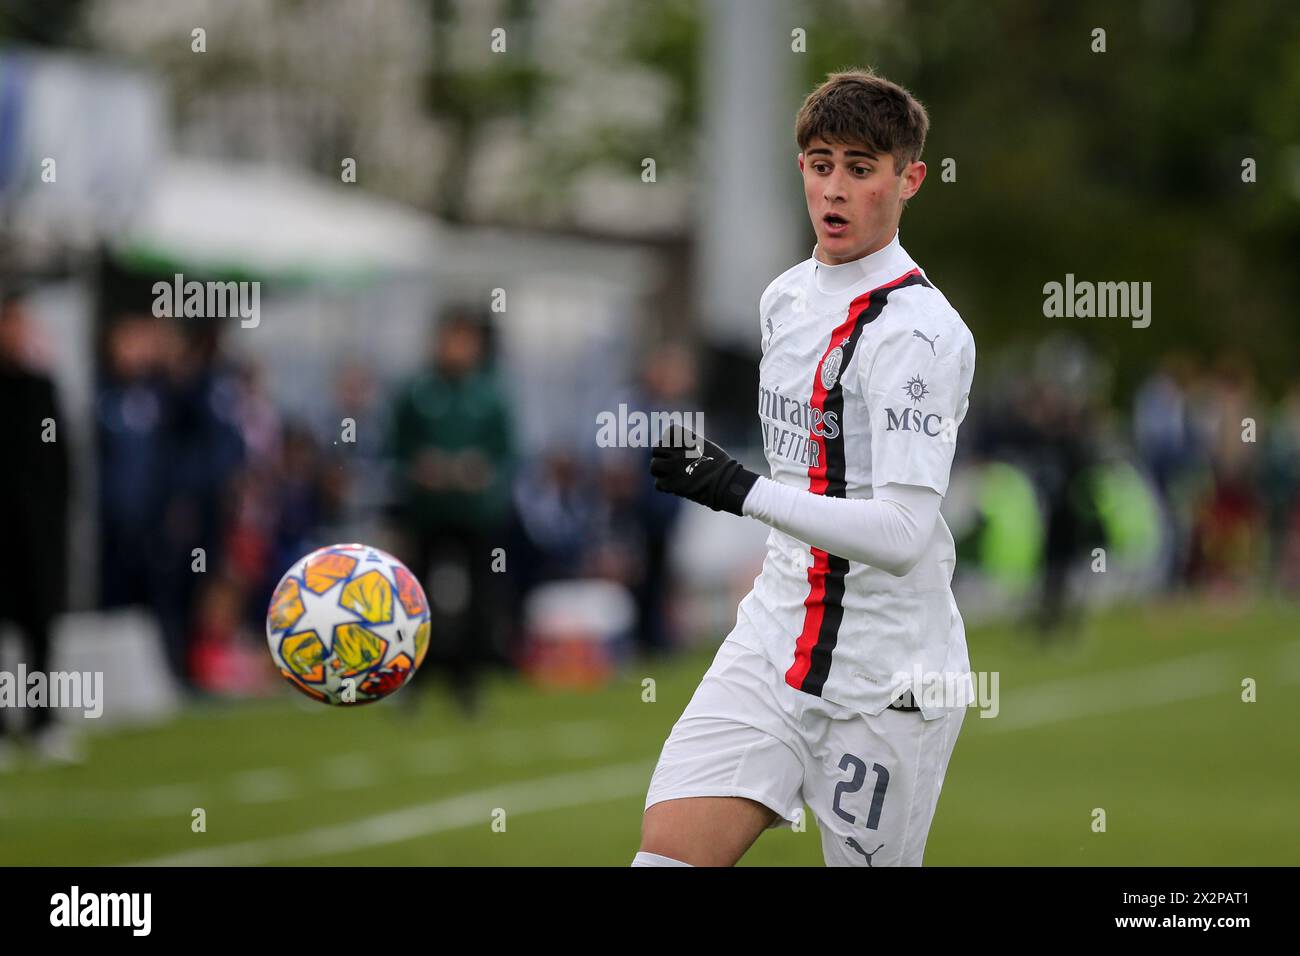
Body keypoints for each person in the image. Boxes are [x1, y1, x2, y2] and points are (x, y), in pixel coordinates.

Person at [635, 69, 977, 866]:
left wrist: (738, 487)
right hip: (773, 639)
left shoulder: (921, 336)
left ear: (909, 179)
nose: (836, 187)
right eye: (821, 164)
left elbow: (900, 532)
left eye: (861, 168)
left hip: (888, 676)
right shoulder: (784, 300)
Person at [0, 290, 72, 767]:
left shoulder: (41, 387)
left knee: (40, 630)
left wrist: (57, 518)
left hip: (38, 532)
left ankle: (43, 721)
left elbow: (62, 461)